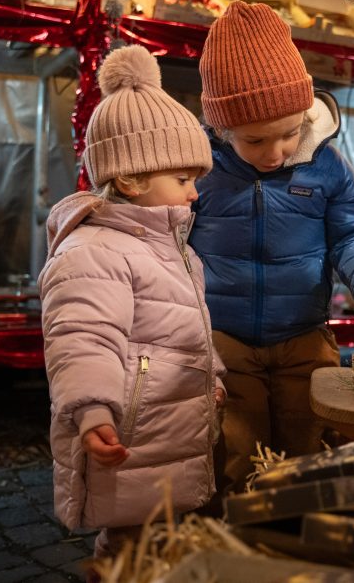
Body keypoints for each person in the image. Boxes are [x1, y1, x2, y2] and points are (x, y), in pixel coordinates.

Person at [190, 1, 354, 494]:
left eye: (288, 134)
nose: (276, 152)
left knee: (310, 443)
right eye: (255, 141)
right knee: (235, 451)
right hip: (222, 339)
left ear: (305, 115)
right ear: (222, 129)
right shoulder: (198, 167)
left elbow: (353, 232)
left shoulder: (326, 165)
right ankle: (239, 531)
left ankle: (304, 530)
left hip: (305, 334)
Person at [39, 44, 225, 563]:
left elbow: (186, 328)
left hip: (169, 431)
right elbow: (82, 338)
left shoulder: (172, 248)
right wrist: (92, 409)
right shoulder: (94, 250)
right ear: (130, 178)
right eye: (182, 180)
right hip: (131, 433)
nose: (194, 194)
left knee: (156, 543)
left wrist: (210, 375)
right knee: (130, 548)